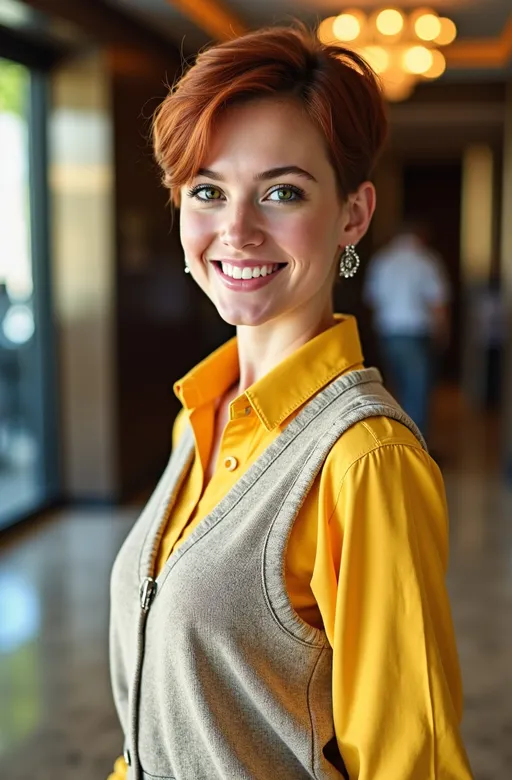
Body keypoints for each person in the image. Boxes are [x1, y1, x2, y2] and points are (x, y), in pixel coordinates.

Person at [108, 25, 472, 780]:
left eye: (282, 192)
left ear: (352, 215)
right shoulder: (196, 416)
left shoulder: (366, 461)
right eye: (208, 191)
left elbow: (414, 762)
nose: (236, 231)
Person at [364, 224, 450, 437]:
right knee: (418, 390)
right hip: (416, 332)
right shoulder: (426, 260)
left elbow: (373, 299)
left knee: (396, 387)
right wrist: (443, 331)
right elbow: (437, 301)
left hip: (389, 331)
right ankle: (416, 444)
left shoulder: (382, 260)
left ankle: (398, 439)